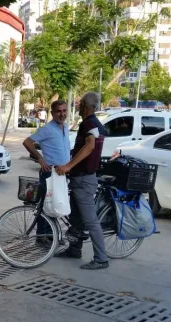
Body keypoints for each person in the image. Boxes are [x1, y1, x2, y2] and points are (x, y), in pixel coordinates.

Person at [55, 92, 108, 270]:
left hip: (84, 180)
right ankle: (74, 249)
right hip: (80, 179)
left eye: (79, 103)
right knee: (75, 218)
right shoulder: (94, 123)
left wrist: (69, 165)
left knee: (90, 221)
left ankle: (101, 259)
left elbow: (90, 145)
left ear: (85, 105)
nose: (77, 106)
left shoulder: (89, 123)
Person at [23, 100, 71, 243]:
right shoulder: (47, 129)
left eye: (64, 111)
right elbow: (27, 142)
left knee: (56, 204)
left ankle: (51, 235)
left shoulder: (66, 127)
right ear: (52, 113)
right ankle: (41, 235)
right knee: (46, 204)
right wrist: (40, 159)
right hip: (49, 172)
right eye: (58, 111)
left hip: (62, 173)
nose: (62, 114)